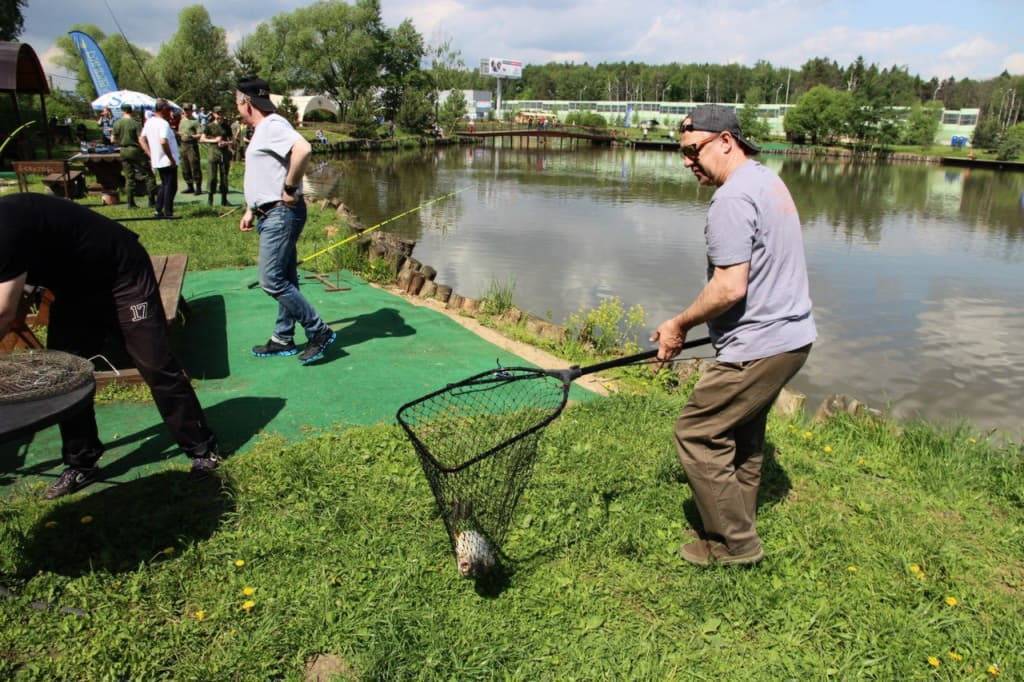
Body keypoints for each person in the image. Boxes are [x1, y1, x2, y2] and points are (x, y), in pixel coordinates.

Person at [651, 105, 816, 567]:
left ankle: (736, 546)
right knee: (742, 435)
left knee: (697, 433)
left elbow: (729, 287)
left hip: (758, 347)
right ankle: (736, 522)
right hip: (792, 339)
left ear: (725, 141)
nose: (686, 161)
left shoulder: (731, 200)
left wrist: (679, 324)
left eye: (692, 150)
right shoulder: (766, 181)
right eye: (681, 152)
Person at [0, 193, 222, 499]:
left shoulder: (4, 228)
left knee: (154, 363)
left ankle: (202, 448)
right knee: (65, 374)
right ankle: (82, 463)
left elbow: (5, 311)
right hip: (74, 288)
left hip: (122, 275)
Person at [235, 76, 335, 365]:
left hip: (281, 212)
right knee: (286, 277)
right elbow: (265, 172)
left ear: (246, 101)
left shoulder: (272, 125)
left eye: (236, 100)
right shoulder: (264, 128)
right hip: (270, 212)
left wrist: (290, 188)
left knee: (271, 279)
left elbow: (303, 149)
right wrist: (251, 209)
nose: (235, 106)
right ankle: (283, 337)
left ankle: (319, 331)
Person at [139, 98, 180, 219]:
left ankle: (158, 209)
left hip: (157, 159)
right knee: (171, 186)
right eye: (169, 109)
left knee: (164, 184)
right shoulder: (163, 123)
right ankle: (168, 212)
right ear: (163, 110)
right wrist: (171, 158)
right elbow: (163, 141)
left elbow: (141, 139)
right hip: (167, 160)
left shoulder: (149, 122)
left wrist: (150, 154)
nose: (170, 112)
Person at [111, 104, 155, 209]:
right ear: (132, 111)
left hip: (123, 151)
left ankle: (131, 203)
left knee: (129, 178)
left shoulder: (117, 123)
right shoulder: (136, 123)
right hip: (135, 151)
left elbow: (112, 140)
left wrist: (121, 142)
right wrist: (148, 152)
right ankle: (151, 201)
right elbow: (141, 139)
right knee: (149, 175)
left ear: (122, 111)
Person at [200, 106, 233, 207]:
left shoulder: (227, 126)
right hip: (213, 152)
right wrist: (214, 140)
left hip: (224, 154)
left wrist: (226, 143)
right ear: (214, 114)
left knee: (224, 177)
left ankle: (224, 199)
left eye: (221, 113)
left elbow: (232, 140)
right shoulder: (209, 126)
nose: (220, 115)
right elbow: (202, 139)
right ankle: (210, 200)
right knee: (212, 177)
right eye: (218, 113)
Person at [177, 103, 203, 195]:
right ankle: (190, 186)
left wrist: (192, 136)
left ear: (192, 110)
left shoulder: (195, 121)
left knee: (194, 166)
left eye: (188, 109)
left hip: (192, 146)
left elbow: (200, 134)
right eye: (185, 109)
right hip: (183, 145)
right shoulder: (182, 120)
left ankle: (198, 188)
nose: (186, 111)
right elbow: (180, 131)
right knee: (185, 167)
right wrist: (179, 134)